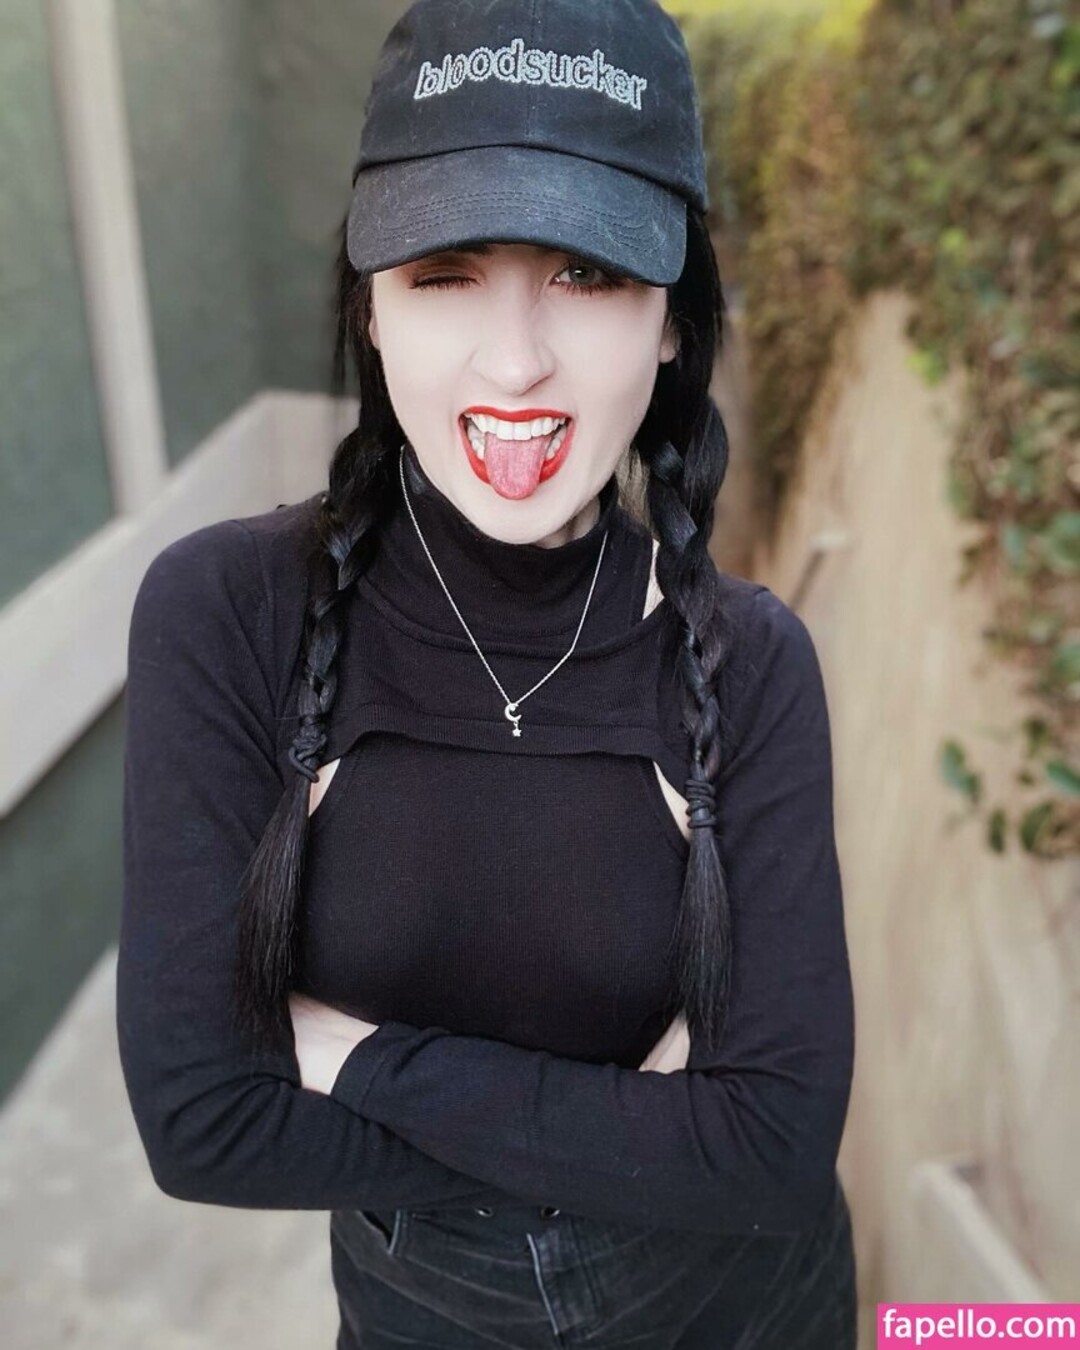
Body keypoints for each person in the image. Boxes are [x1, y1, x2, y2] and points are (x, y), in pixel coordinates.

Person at [116, 0, 858, 1346]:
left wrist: (350, 1055)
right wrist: (643, 1134)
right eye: (444, 271)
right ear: (370, 306)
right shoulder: (230, 613)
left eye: (588, 273)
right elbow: (205, 1122)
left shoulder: (749, 662)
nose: (516, 362)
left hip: (751, 1309)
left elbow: (773, 1153)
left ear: (674, 321)